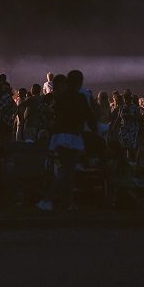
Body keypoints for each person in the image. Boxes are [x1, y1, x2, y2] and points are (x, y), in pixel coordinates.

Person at [37, 74, 91, 212]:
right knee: (67, 170)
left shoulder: (61, 98)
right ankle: (47, 199)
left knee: (68, 171)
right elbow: (83, 115)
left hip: (63, 135)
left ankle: (68, 202)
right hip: (69, 136)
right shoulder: (73, 97)